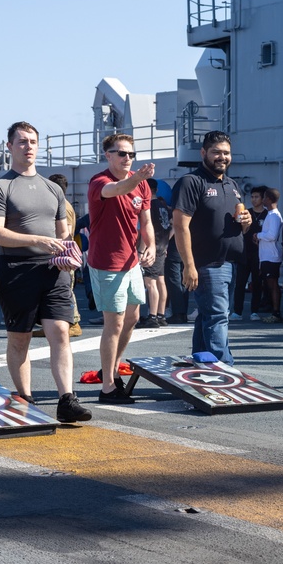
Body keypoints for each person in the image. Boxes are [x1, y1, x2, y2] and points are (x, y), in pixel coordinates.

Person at [0, 121, 91, 422]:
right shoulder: (0, 187)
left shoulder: (53, 188)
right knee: (20, 338)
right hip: (16, 270)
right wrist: (39, 241)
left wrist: (69, 254)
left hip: (53, 271)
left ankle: (67, 400)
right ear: (9, 147)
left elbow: (63, 235)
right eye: (21, 141)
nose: (28, 146)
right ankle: (25, 398)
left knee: (60, 332)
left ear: (38, 146)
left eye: (32, 141)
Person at [172, 130, 250, 365]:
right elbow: (180, 225)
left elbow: (241, 226)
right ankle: (224, 370)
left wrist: (246, 223)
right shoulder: (191, 182)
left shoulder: (232, 184)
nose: (222, 157)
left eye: (226, 153)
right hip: (207, 264)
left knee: (208, 316)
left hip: (229, 263)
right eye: (216, 152)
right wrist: (189, 266)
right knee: (218, 317)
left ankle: (202, 367)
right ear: (203, 153)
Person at [87, 134, 155, 404]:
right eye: (122, 153)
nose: (127, 158)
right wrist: (137, 179)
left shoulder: (142, 187)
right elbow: (116, 190)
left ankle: (111, 369)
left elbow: (146, 221)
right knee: (113, 324)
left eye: (131, 154)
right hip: (107, 263)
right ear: (108, 155)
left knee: (132, 318)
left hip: (131, 262)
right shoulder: (99, 181)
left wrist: (150, 245)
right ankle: (107, 388)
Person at [46, 174, 83, 338]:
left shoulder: (64, 207)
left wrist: (63, 256)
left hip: (63, 255)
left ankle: (74, 323)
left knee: (66, 290)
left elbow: (66, 234)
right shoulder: (62, 204)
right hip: (61, 254)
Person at [140, 178, 172, 328]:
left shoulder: (148, 207)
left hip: (151, 246)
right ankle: (161, 314)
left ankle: (152, 316)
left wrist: (142, 249)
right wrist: (166, 241)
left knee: (150, 282)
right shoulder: (164, 205)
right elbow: (174, 226)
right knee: (160, 280)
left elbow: (145, 228)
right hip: (162, 245)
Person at [232, 185, 267, 321]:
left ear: (263, 198)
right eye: (252, 197)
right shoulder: (246, 212)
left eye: (256, 197)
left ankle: (254, 311)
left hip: (260, 254)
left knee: (257, 283)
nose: (253, 199)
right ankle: (237, 311)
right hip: (244, 252)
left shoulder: (267, 214)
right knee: (240, 283)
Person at [257, 187, 283, 323]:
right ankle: (272, 309)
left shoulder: (274, 215)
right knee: (269, 284)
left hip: (271, 256)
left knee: (273, 284)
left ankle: (276, 312)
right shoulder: (270, 214)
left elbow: (272, 235)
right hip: (266, 255)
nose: (262, 200)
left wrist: (258, 235)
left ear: (268, 199)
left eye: (264, 197)